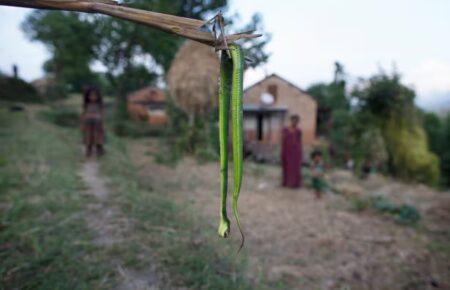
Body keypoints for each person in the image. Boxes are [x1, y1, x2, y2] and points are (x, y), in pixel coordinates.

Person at [81, 87, 105, 157]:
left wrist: (103, 123)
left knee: (99, 136)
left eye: (95, 95)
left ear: (98, 96)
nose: (93, 97)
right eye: (91, 95)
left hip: (98, 123)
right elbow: (83, 114)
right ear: (87, 96)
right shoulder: (86, 105)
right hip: (88, 123)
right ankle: (89, 150)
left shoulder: (100, 105)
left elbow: (102, 113)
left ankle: (99, 150)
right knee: (89, 136)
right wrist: (82, 124)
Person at [281, 115, 303, 188]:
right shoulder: (285, 129)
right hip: (286, 151)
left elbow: (299, 142)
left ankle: (294, 184)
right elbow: (282, 140)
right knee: (286, 166)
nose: (295, 122)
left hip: (295, 152)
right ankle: (286, 182)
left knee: (295, 167)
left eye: (296, 121)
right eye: (294, 120)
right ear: (291, 120)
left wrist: (300, 152)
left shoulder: (299, 131)